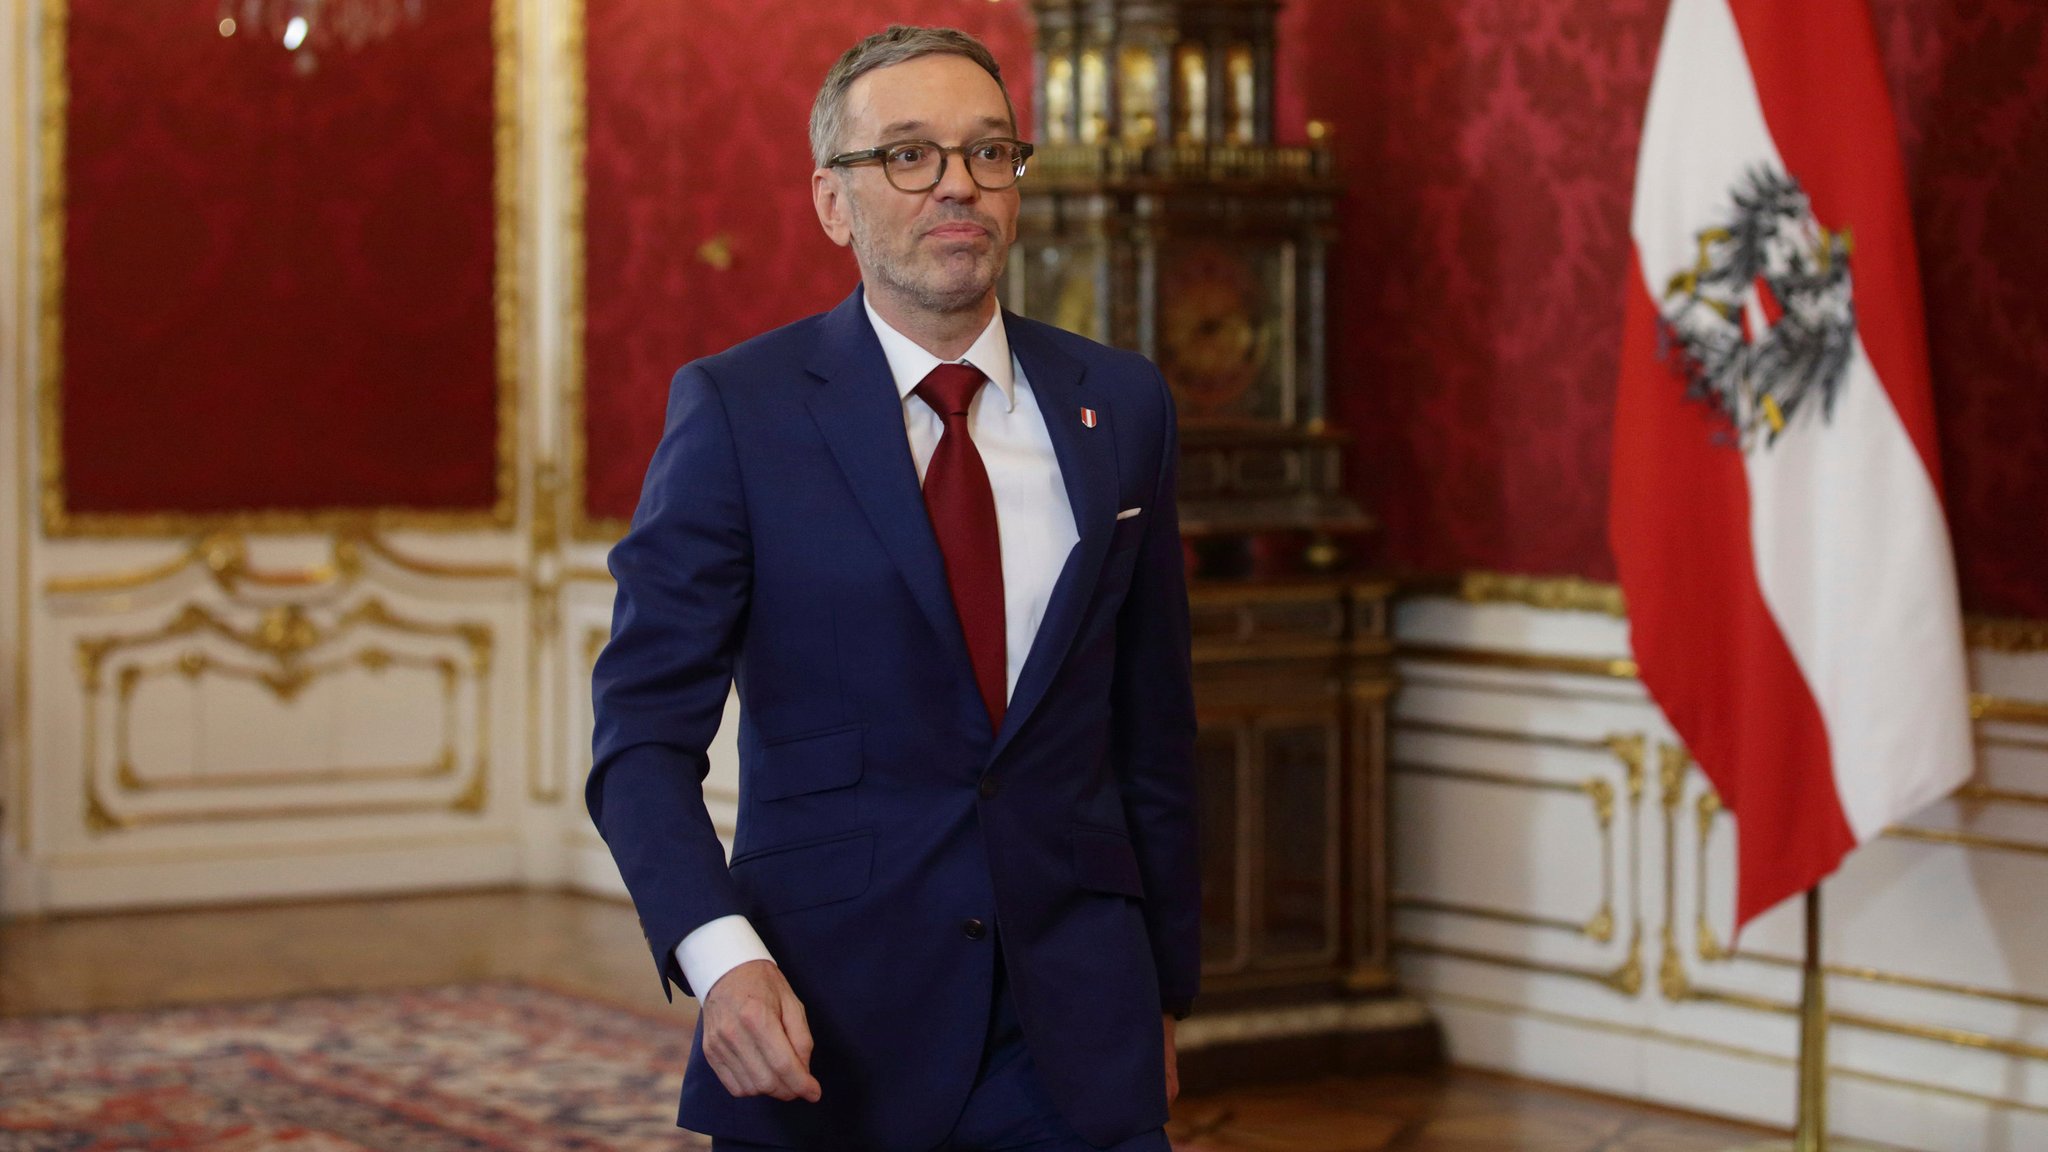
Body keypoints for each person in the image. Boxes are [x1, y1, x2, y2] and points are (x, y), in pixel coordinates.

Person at [589, 24, 1198, 1152]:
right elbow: (639, 740)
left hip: (1076, 1026)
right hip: (827, 1028)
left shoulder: (1121, 406)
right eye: (908, 155)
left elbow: (1150, 729)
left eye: (988, 153)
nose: (957, 186)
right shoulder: (739, 412)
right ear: (833, 201)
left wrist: (1160, 994)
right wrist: (721, 962)